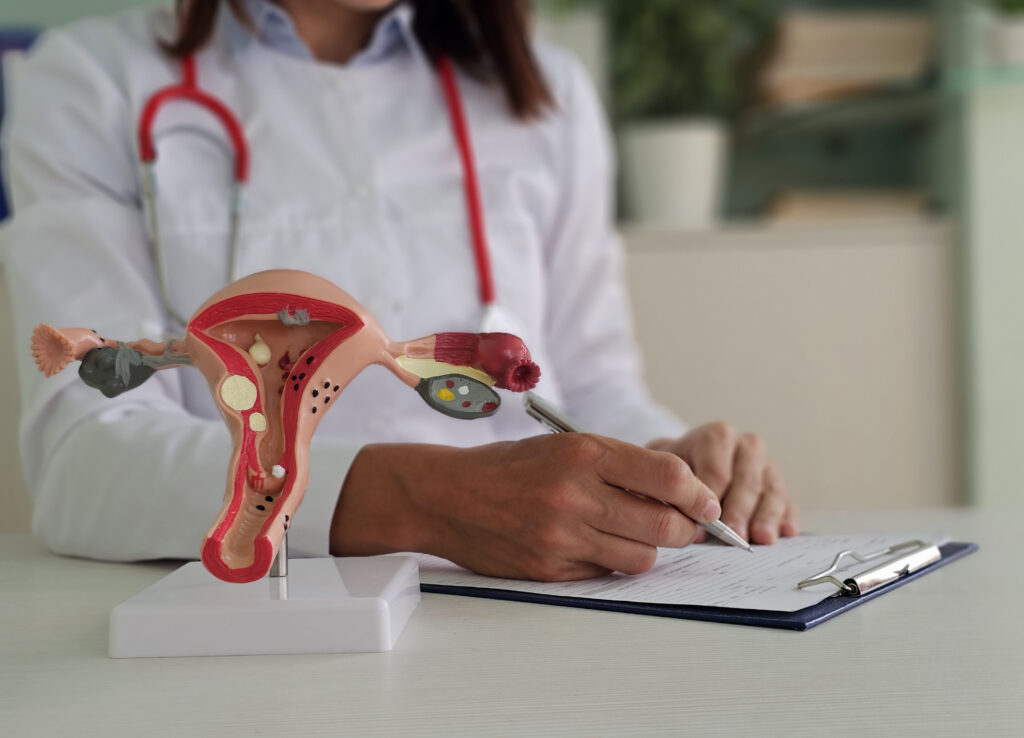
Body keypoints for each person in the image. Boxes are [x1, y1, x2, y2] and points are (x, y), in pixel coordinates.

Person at [3, 0, 798, 582]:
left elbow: (589, 387)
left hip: (530, 621)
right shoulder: (89, 83)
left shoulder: (545, 90)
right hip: (241, 618)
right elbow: (86, 458)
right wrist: (427, 501)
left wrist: (665, 469)